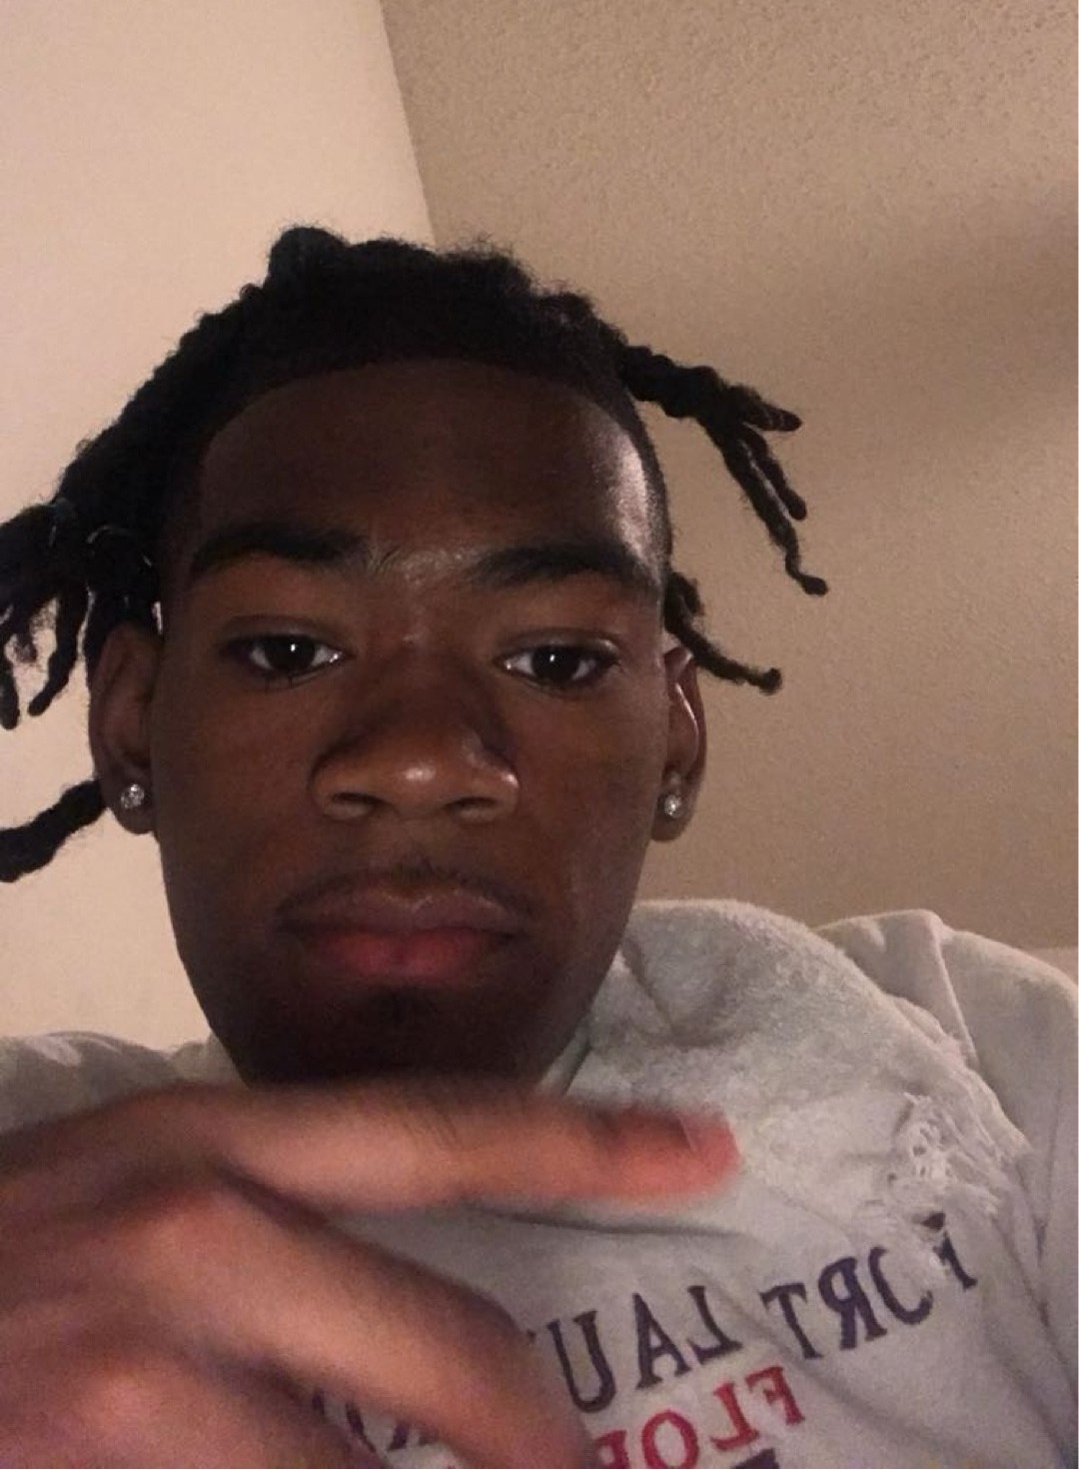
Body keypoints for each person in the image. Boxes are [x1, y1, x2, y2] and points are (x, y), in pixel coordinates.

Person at [0, 227, 1073, 1468]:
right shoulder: (23, 1153)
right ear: (132, 723)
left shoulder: (975, 1042)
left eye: (556, 660)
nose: (419, 758)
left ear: (674, 743)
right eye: (287, 650)